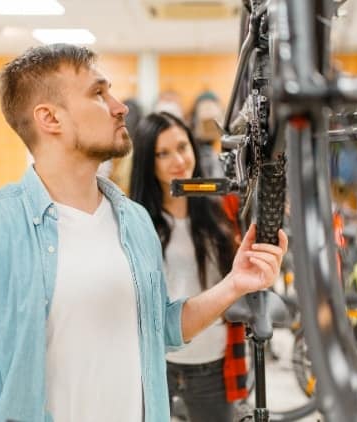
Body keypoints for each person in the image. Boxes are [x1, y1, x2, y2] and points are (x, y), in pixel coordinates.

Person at [0, 44, 287, 422]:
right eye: (98, 94)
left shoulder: (135, 222)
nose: (120, 106)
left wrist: (234, 284)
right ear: (49, 118)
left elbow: (159, 328)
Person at [130, 112, 247, 421]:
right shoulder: (136, 222)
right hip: (158, 364)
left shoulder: (222, 209)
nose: (178, 159)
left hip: (214, 362)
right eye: (162, 153)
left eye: (182, 146)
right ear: (148, 161)